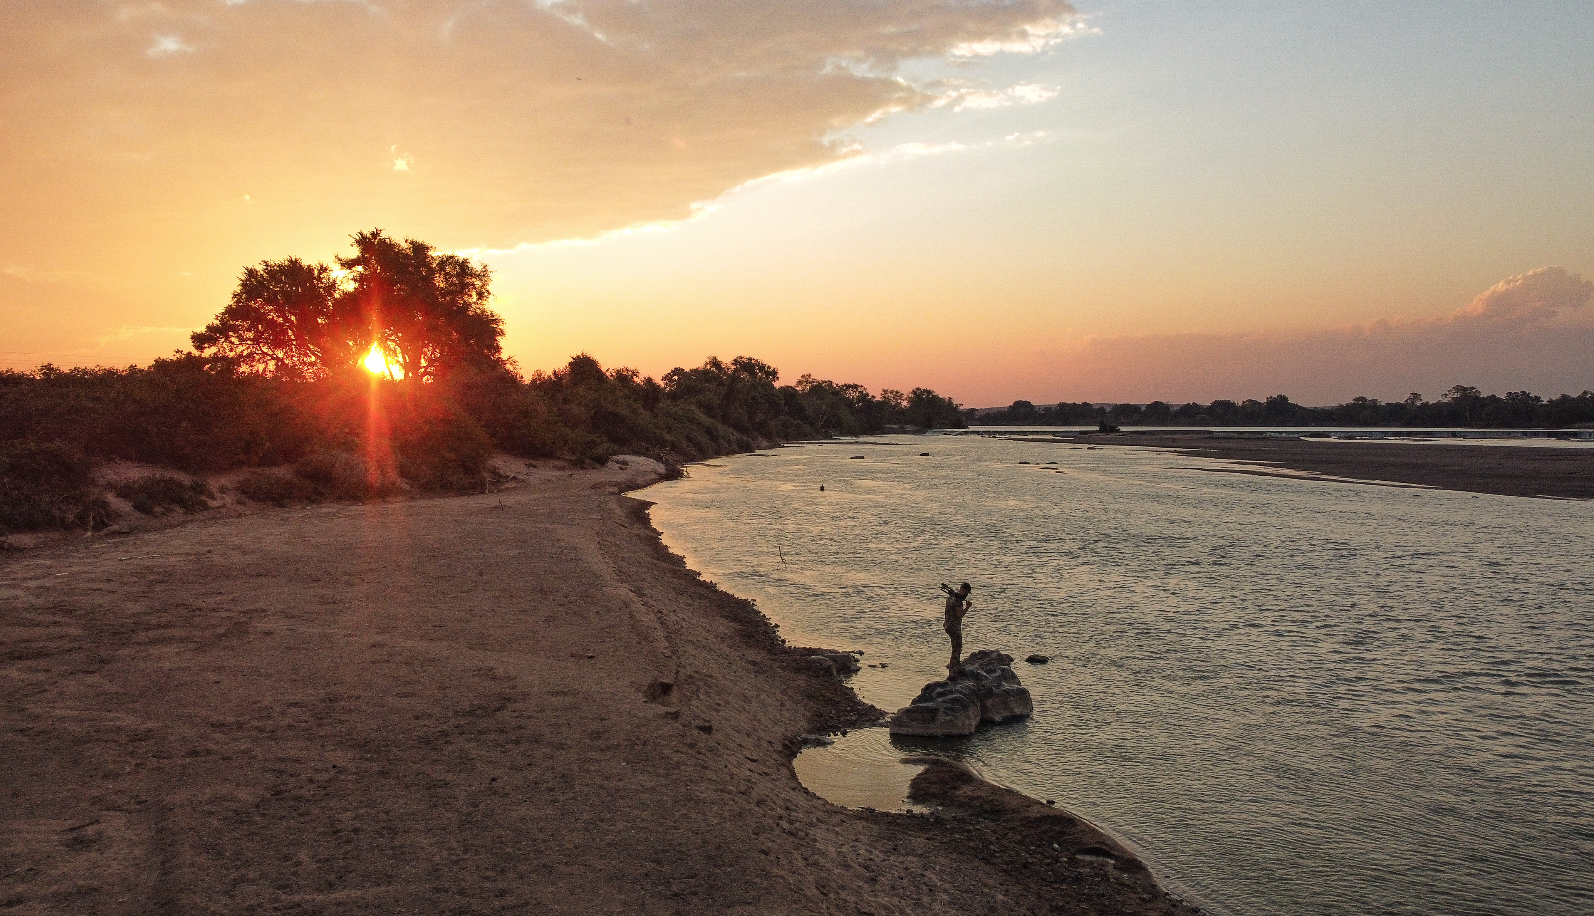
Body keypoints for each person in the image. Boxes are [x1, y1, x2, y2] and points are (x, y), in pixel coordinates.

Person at [940, 582, 973, 677]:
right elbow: (959, 615)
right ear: (964, 590)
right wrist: (967, 607)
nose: (966, 594)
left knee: (955, 646)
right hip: (954, 627)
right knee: (957, 647)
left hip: (947, 625)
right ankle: (954, 670)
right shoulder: (958, 601)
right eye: (966, 592)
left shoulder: (951, 597)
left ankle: (954, 666)